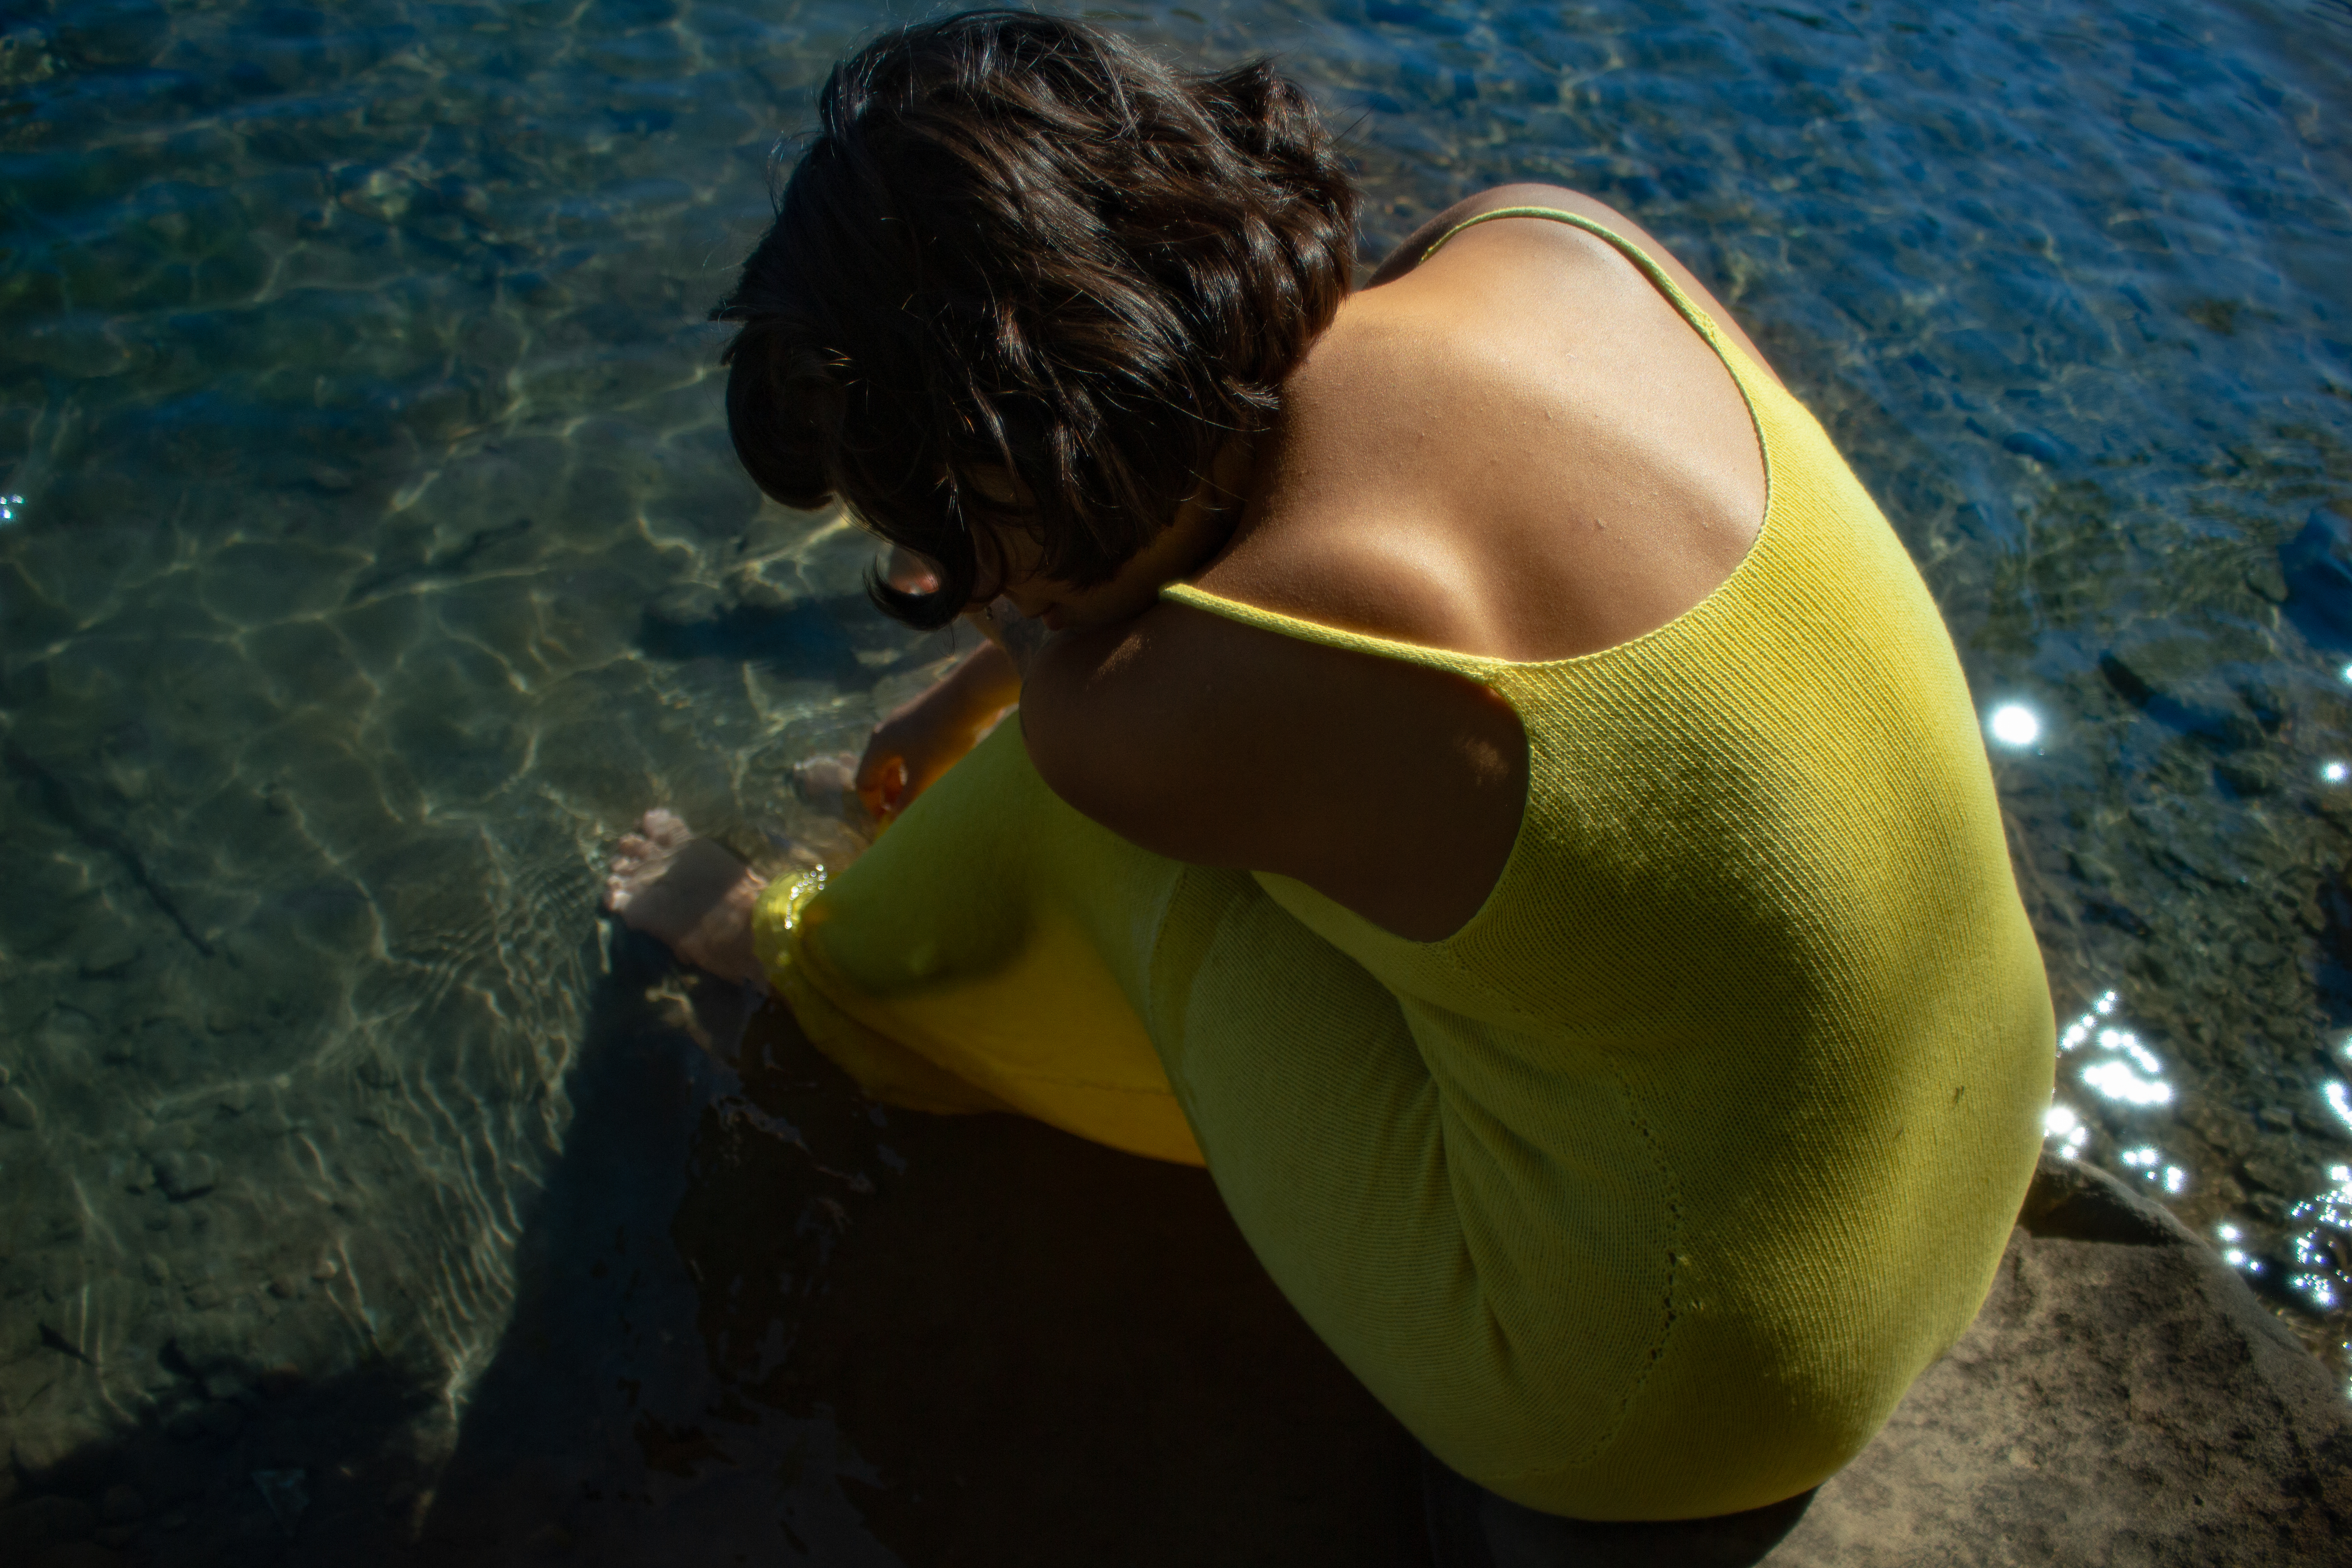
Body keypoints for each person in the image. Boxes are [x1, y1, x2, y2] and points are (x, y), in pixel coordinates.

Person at [603, 7, 2056, 1549]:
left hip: (1678, 1392)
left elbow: (1090, 697)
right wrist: (992, 662)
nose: (932, 576)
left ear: (977, 493)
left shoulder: (1154, 713)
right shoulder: (1562, 239)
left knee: (1076, 821)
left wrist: (1006, 678)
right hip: (1978, 1137)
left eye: (928, 537)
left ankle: (805, 964)